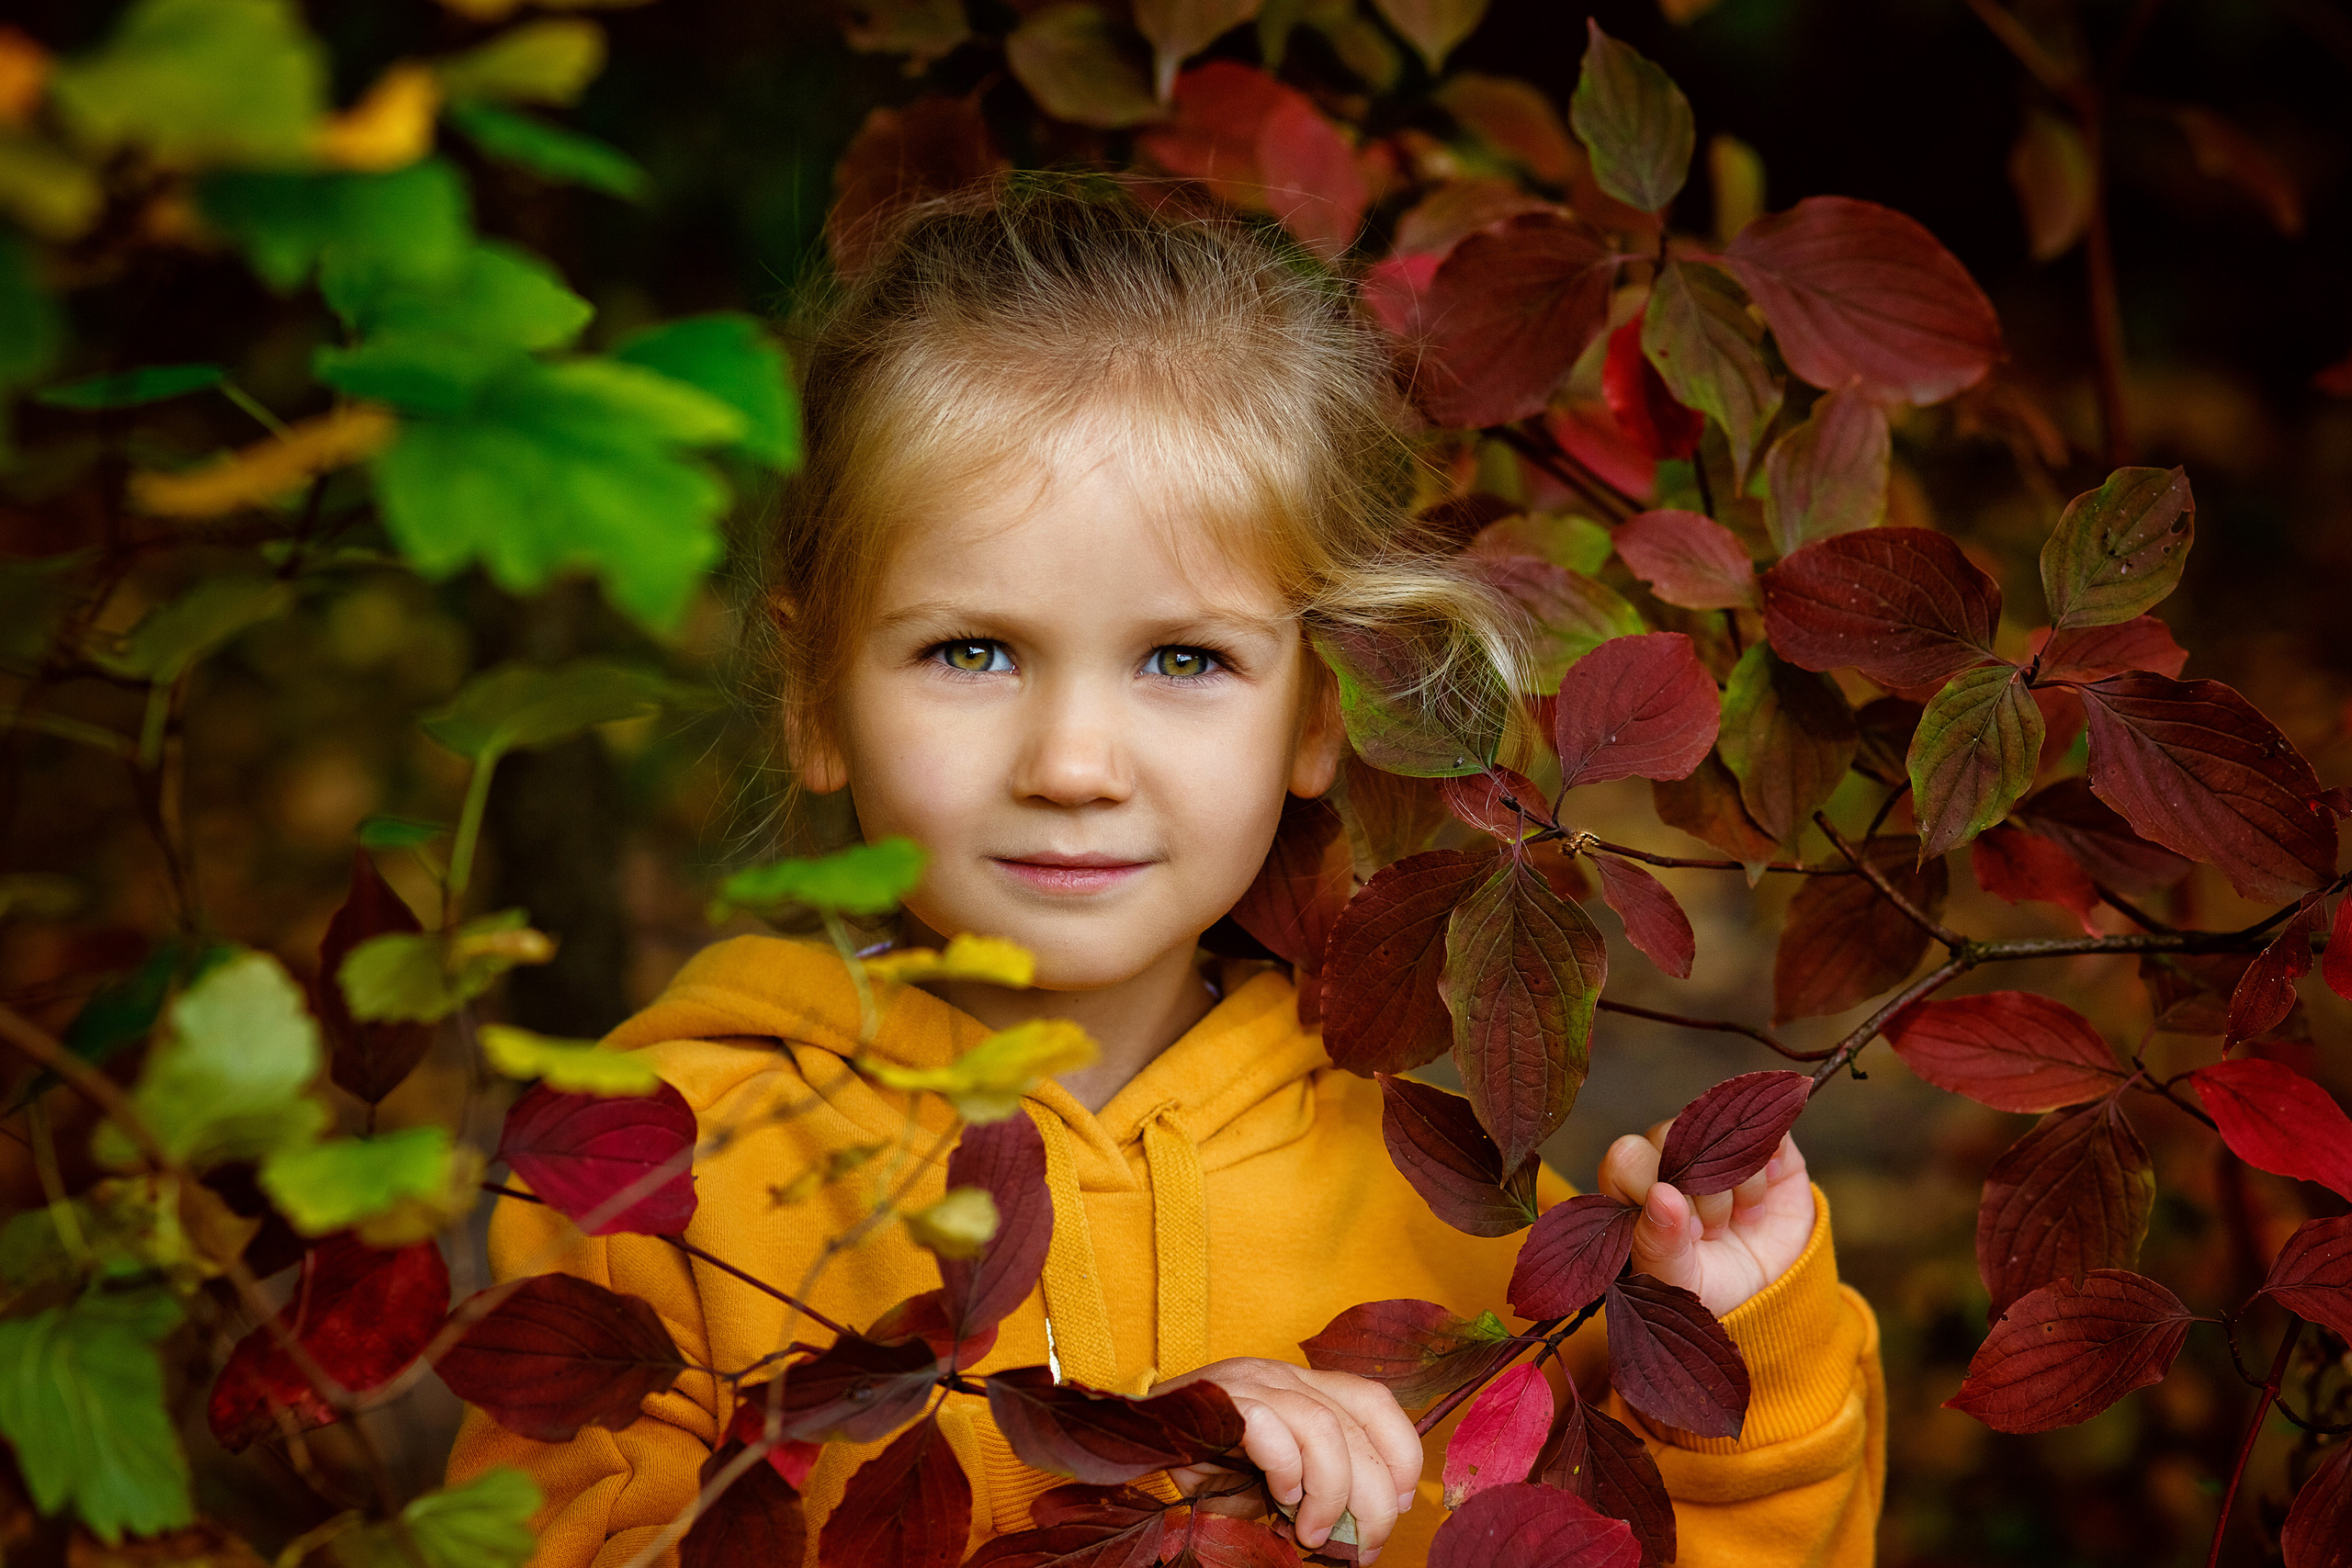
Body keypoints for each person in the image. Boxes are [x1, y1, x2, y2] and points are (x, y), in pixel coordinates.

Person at [447, 176, 1883, 1566]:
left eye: (1183, 659)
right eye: (972, 650)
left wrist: (1736, 1365)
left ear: (1319, 713)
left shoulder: (1436, 1211)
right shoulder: (659, 1177)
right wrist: (1143, 1483)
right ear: (817, 696)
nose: (1074, 762)